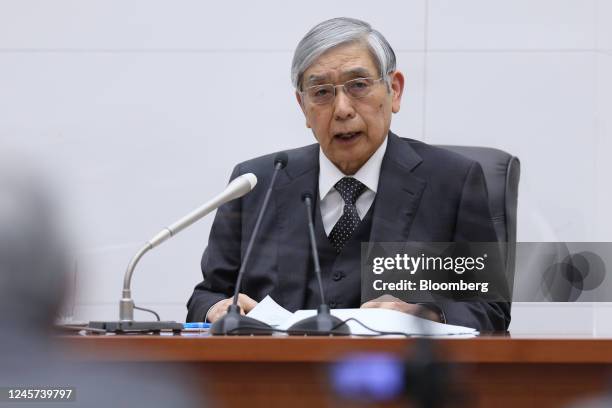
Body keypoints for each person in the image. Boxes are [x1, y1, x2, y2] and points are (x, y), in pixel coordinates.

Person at [187, 17, 510, 332]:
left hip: (397, 380)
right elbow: (206, 296)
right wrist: (217, 309)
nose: (342, 109)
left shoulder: (451, 182)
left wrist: (423, 313)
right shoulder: (256, 184)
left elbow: (491, 310)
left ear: (394, 91)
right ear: (303, 106)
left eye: (358, 85)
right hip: (279, 380)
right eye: (322, 92)